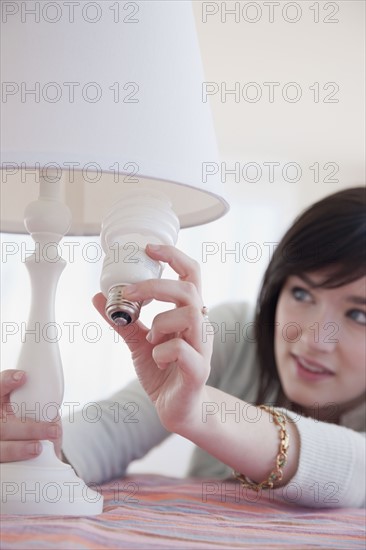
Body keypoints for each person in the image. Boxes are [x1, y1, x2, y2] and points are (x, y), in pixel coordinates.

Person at [1, 187, 365, 508]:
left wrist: (202, 411)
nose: (313, 340)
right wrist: (39, 448)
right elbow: (111, 431)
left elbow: (355, 470)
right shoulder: (237, 334)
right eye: (301, 293)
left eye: (359, 315)